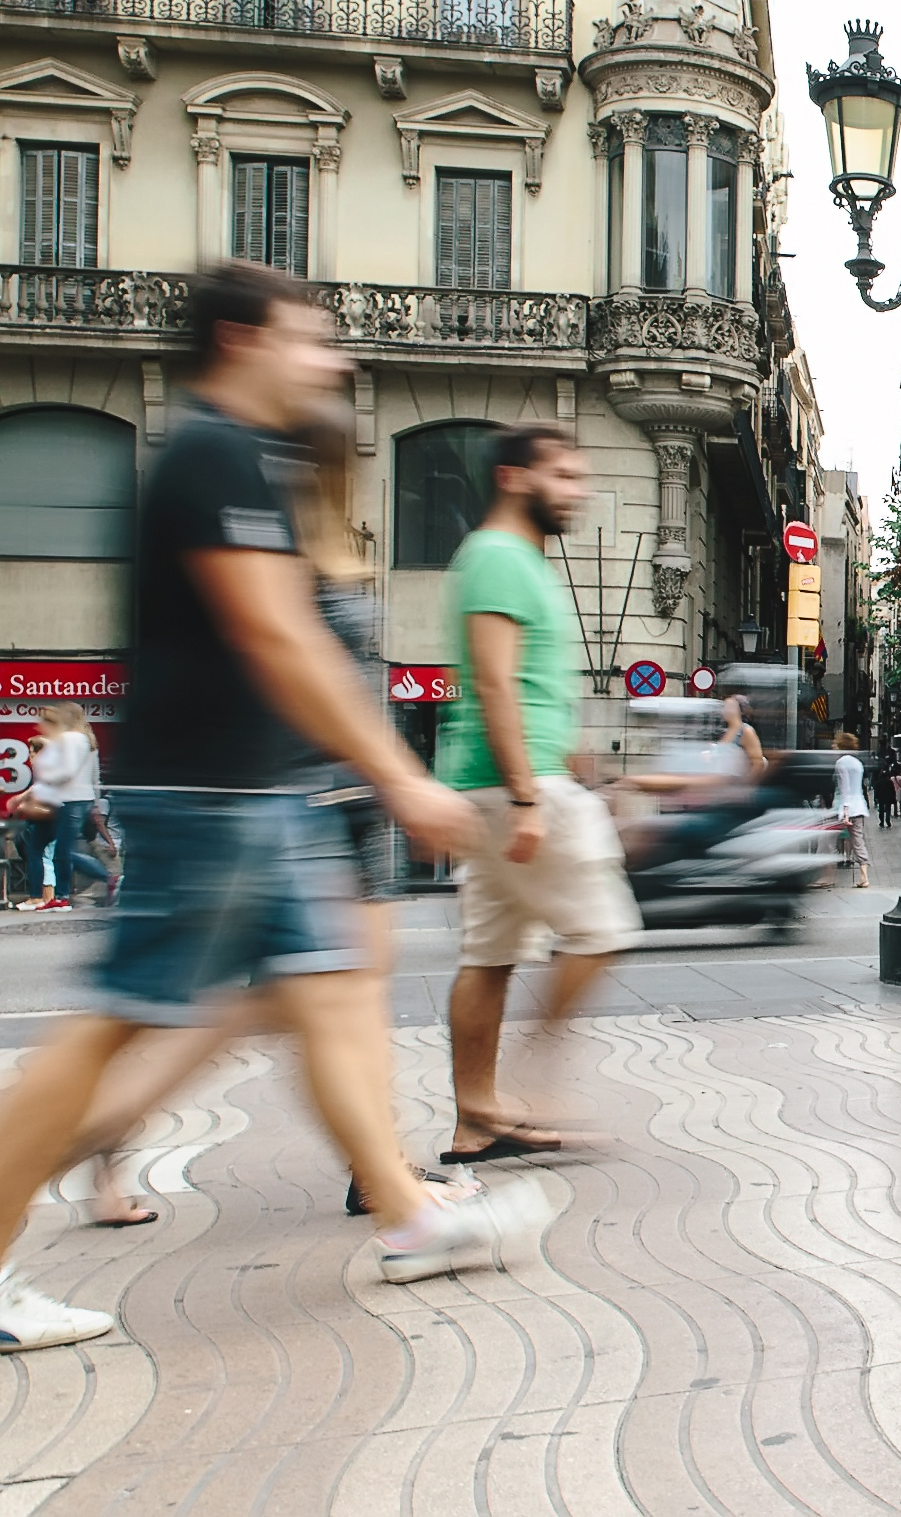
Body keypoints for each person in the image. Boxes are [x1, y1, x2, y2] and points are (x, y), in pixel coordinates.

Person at [0, 265, 524, 1355]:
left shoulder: (240, 459)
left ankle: (408, 1215)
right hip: (209, 796)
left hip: (258, 795)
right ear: (242, 340)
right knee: (114, 1023)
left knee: (333, 993)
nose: (331, 361)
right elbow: (279, 638)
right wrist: (401, 776)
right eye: (310, 339)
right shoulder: (213, 449)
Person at [437, 423, 642, 1165]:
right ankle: (520, 1092)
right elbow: (493, 680)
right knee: (605, 927)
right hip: (514, 786)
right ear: (514, 478)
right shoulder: (498, 557)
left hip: (495, 783)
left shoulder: (514, 559)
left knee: (490, 954)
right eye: (561, 474)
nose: (576, 489)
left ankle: (474, 1120)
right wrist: (528, 795)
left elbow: (529, 683)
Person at [16, 706, 110, 912]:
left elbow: (67, 771)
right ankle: (51, 896)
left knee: (58, 849)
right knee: (48, 846)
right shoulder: (89, 741)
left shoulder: (70, 739)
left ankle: (61, 897)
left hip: (69, 800)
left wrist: (45, 777)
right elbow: (95, 777)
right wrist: (94, 803)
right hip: (78, 800)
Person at [831, 733, 871, 887]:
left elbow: (845, 789)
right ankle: (864, 876)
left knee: (827, 840)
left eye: (835, 743)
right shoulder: (857, 763)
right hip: (859, 806)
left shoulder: (841, 763)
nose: (833, 746)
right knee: (858, 842)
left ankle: (827, 874)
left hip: (846, 809)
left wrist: (845, 812)